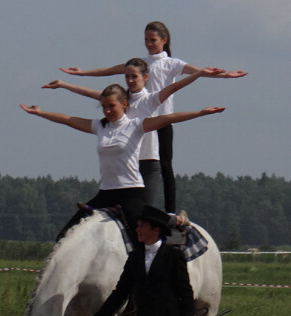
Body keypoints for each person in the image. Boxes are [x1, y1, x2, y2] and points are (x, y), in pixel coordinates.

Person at [60, 21, 247, 213]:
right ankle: (117, 200)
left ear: (163, 40)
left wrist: (226, 76)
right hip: (137, 120)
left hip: (162, 119)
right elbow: (110, 70)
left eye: (153, 40)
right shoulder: (140, 64)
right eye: (146, 40)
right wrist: (82, 73)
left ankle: (170, 210)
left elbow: (197, 73)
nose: (149, 43)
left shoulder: (171, 63)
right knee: (130, 159)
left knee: (163, 165)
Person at [20, 84, 225, 240]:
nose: (107, 111)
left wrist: (200, 112)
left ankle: (178, 220)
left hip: (131, 191)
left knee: (142, 236)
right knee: (64, 236)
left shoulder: (135, 125)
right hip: (105, 193)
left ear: (124, 104)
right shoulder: (100, 126)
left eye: (112, 106)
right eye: (104, 107)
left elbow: (168, 118)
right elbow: (68, 119)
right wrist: (40, 113)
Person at [43, 58, 223, 206]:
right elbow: (90, 93)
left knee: (145, 213)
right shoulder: (120, 99)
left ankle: (170, 226)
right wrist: (64, 85)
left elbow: (174, 89)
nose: (129, 80)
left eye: (133, 76)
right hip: (125, 160)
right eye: (126, 76)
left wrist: (199, 74)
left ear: (145, 77)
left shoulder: (150, 100)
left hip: (148, 161)